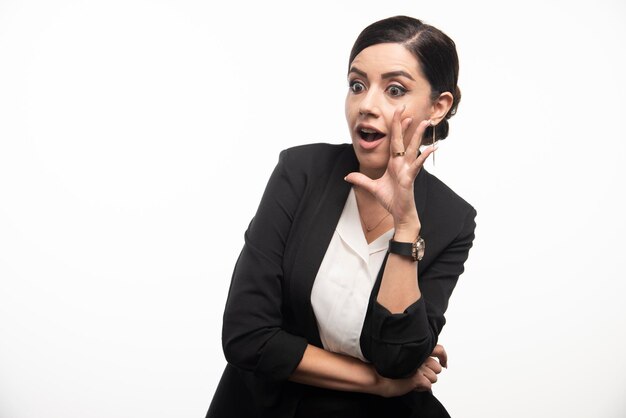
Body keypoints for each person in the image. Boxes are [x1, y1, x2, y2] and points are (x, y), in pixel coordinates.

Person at [206, 15, 477, 418]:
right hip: (269, 406)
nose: (366, 105)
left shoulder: (452, 219)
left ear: (438, 107)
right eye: (357, 85)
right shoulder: (301, 172)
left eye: (395, 89)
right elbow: (247, 336)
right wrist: (380, 383)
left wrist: (405, 228)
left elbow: (399, 358)